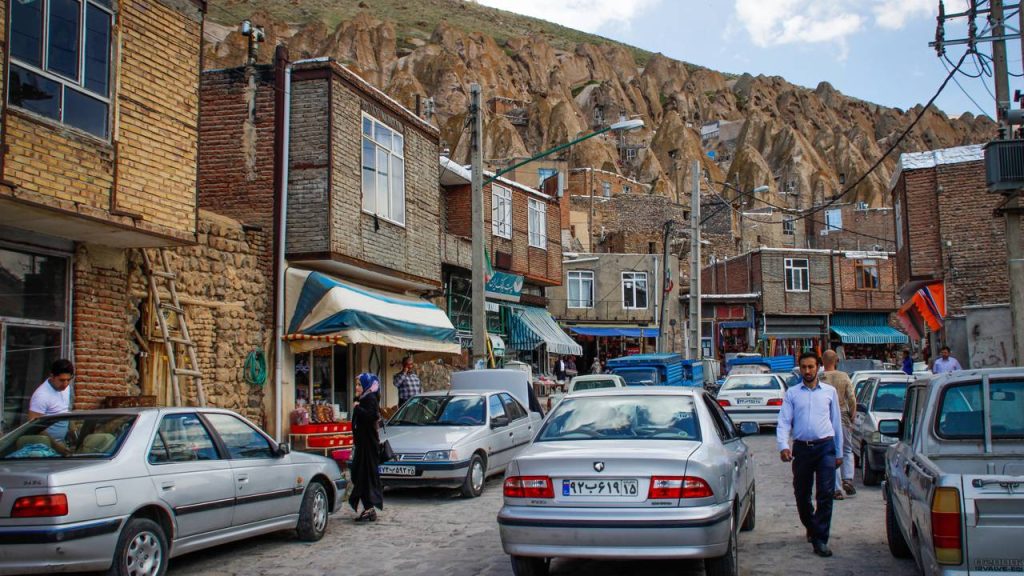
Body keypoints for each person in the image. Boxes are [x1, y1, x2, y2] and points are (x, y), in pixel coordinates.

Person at [777, 352, 844, 558]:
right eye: (804, 367)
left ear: (819, 367)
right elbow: (784, 421)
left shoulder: (829, 392)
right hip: (802, 449)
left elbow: (836, 423)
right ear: (800, 369)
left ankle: (820, 539)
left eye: (811, 367)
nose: (807, 371)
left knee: (825, 494)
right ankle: (811, 524)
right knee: (801, 494)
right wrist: (783, 446)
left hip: (825, 447)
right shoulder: (792, 394)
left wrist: (839, 452)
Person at [820, 350, 857, 500]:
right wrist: (852, 416)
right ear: (836, 360)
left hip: (825, 419)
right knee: (847, 449)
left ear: (822, 361)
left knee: (832, 453)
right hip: (842, 416)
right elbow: (852, 399)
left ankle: (836, 489)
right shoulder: (844, 376)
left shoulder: (820, 378)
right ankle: (847, 478)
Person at [348, 373, 383, 522]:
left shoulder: (369, 399)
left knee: (363, 476)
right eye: (356, 384)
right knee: (359, 475)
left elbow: (372, 416)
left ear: (366, 386)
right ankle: (369, 508)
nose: (356, 387)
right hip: (362, 445)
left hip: (368, 446)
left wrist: (357, 408)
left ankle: (369, 508)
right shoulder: (363, 398)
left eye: (359, 385)